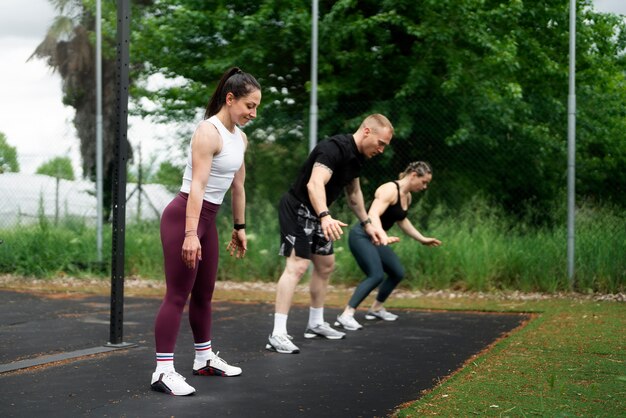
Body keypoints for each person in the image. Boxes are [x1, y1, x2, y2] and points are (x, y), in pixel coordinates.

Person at [150, 67, 261, 396]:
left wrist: (239, 227)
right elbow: (197, 186)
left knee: (204, 294)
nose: (253, 113)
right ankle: (163, 370)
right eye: (249, 106)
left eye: (256, 107)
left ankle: (203, 359)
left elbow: (238, 186)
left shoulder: (240, 138)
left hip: (207, 220)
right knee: (177, 294)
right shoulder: (207, 132)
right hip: (184, 216)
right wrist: (189, 233)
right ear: (230, 100)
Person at [266, 114, 394, 354]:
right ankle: (278, 333)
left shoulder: (356, 158)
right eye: (381, 143)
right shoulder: (333, 148)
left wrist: (368, 224)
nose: (382, 149)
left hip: (319, 212)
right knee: (298, 266)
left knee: (325, 265)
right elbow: (314, 184)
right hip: (298, 208)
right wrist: (325, 216)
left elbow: (354, 195)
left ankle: (315, 323)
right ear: (367, 131)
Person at [334, 161, 442, 331]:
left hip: (377, 238)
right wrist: (382, 234)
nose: (425, 186)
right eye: (424, 182)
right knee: (375, 275)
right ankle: (346, 315)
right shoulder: (389, 190)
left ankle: (376, 308)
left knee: (397, 272)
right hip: (362, 236)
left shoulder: (407, 196)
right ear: (414, 175)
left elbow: (402, 220)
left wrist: (422, 238)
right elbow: (373, 214)